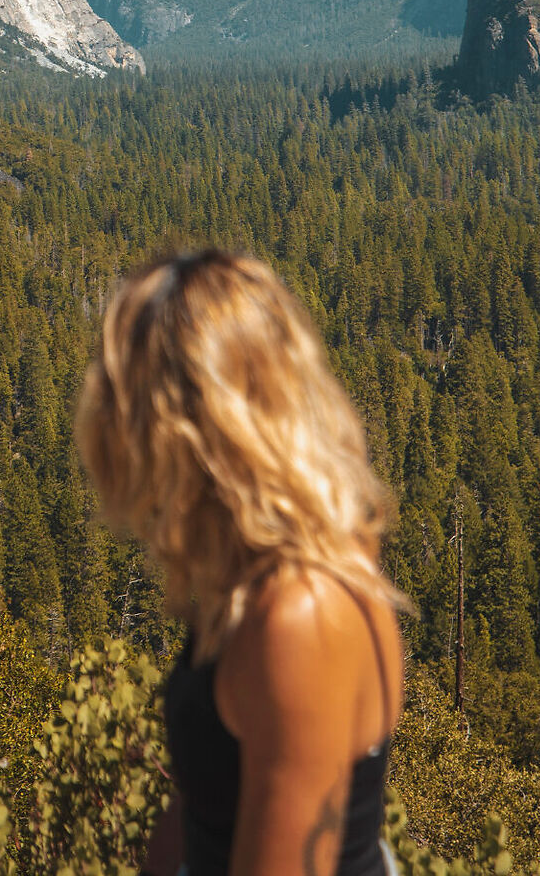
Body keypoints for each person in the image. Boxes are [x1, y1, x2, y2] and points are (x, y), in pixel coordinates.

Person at [77, 249, 407, 876]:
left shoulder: (299, 618)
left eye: (134, 408)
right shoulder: (253, 574)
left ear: (199, 431)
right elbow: (206, 800)